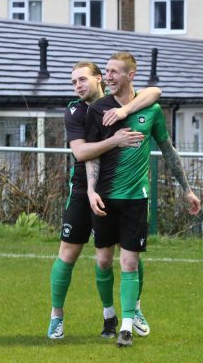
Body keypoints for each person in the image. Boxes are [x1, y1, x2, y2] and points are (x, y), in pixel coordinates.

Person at [85, 52, 201, 347]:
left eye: (113, 72)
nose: (107, 77)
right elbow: (91, 154)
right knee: (102, 261)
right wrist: (91, 189)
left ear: (130, 75)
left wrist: (187, 188)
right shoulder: (98, 109)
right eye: (106, 72)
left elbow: (168, 150)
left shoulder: (151, 110)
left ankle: (126, 326)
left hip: (136, 198)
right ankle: (109, 314)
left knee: (129, 262)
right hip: (106, 197)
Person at [47, 60, 162, 340]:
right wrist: (115, 141)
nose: (77, 86)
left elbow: (154, 92)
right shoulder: (76, 111)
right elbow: (81, 153)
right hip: (81, 191)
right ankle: (56, 316)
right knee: (70, 254)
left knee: (129, 253)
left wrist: (126, 109)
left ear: (99, 78)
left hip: (118, 192)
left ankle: (133, 309)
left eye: (82, 80)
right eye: (73, 82)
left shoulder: (118, 103)